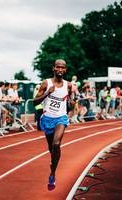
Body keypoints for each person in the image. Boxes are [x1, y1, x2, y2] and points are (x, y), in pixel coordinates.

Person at [33, 59, 71, 190]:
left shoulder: (68, 85)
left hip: (61, 118)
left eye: (63, 67)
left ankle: (52, 173)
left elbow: (69, 99)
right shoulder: (46, 83)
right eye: (58, 67)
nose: (60, 69)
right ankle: (53, 162)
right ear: (53, 68)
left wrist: (69, 105)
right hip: (47, 119)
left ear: (65, 70)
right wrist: (47, 93)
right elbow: (34, 102)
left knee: (56, 144)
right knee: (51, 149)